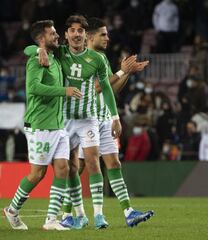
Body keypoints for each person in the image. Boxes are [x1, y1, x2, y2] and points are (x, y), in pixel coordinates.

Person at [24, 15, 121, 229]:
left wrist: (115, 117)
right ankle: (79, 214)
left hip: (88, 119)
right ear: (66, 35)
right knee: (70, 168)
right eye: (72, 30)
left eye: (81, 31)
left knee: (93, 161)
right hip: (64, 119)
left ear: (86, 35)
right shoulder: (59, 52)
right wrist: (38, 50)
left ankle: (99, 215)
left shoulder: (97, 59)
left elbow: (105, 88)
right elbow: (28, 49)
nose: (76, 34)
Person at [65, 17, 154, 228]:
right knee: (76, 168)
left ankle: (128, 212)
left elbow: (109, 90)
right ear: (91, 36)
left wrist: (127, 74)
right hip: (87, 120)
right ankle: (66, 214)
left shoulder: (101, 58)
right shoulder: (82, 59)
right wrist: (122, 71)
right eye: (103, 34)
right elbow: (95, 88)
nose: (107, 37)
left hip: (104, 118)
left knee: (113, 163)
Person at [3, 20, 82, 231]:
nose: (57, 36)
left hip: (58, 124)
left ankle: (51, 220)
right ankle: (12, 210)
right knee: (37, 174)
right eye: (53, 34)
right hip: (40, 125)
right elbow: (34, 88)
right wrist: (63, 91)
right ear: (41, 38)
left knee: (63, 169)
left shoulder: (54, 58)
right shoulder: (36, 60)